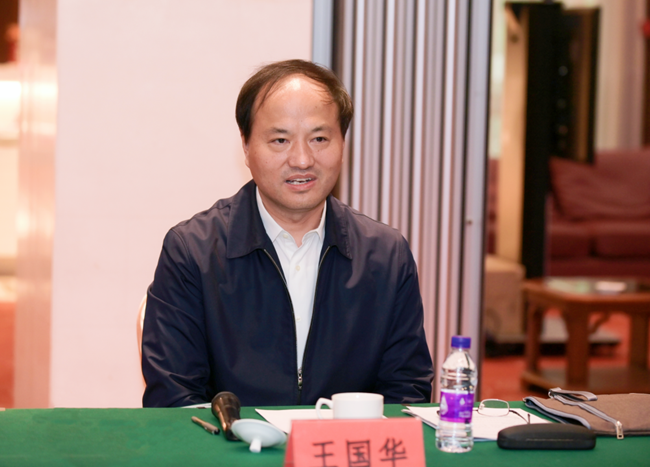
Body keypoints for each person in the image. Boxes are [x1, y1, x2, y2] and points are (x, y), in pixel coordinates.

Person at [142, 59, 433, 407]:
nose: (302, 159)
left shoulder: (386, 256)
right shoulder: (193, 252)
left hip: (345, 442)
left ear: (343, 144)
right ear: (246, 146)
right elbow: (174, 399)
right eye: (280, 140)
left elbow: (407, 394)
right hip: (231, 441)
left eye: (319, 138)